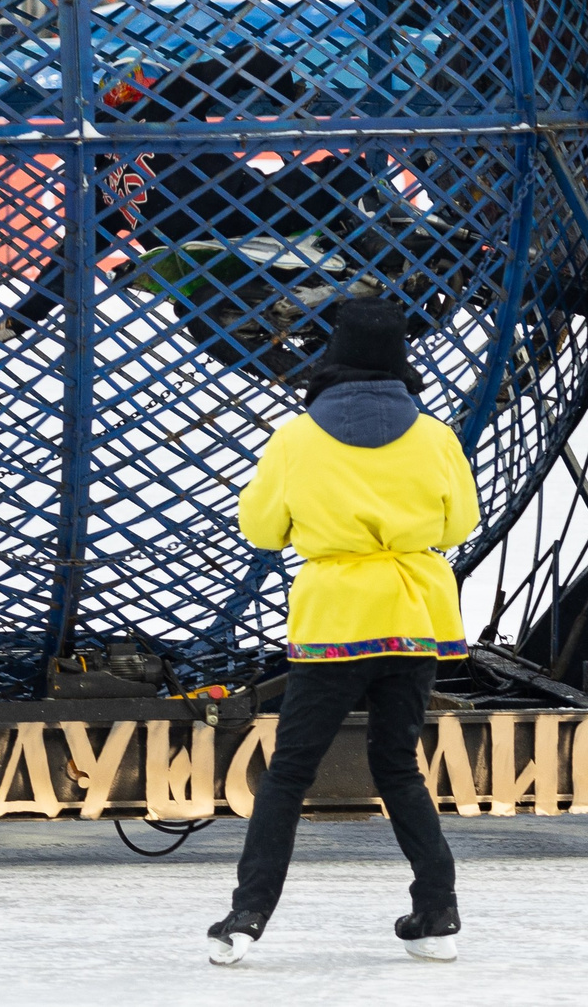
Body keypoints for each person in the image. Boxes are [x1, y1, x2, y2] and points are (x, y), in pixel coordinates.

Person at [208, 298, 478, 968]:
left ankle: (247, 915)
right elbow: (457, 525)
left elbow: (262, 529)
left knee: (290, 772)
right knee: (398, 766)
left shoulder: (297, 438)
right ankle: (438, 910)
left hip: (336, 621)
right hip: (415, 620)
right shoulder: (436, 436)